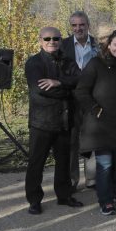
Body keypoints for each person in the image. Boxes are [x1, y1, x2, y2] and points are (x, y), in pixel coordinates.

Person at [24, 26, 84, 214]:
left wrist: (59, 82)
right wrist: (68, 89)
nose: (52, 42)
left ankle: (64, 195)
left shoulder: (68, 61)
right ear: (40, 41)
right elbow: (41, 89)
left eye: (56, 39)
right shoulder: (34, 63)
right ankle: (34, 199)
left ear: (60, 40)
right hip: (42, 122)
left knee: (64, 161)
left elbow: (81, 80)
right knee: (37, 162)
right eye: (47, 39)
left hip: (65, 120)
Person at [74, 30, 116, 215]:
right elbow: (81, 91)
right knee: (105, 165)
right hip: (101, 125)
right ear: (109, 45)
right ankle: (105, 200)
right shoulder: (96, 63)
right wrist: (96, 109)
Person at [61, 11, 98, 191]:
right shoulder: (62, 46)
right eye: (74, 25)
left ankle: (91, 179)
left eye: (81, 24)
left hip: (92, 99)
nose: (78, 28)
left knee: (91, 138)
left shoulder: (98, 45)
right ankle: (72, 180)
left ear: (88, 25)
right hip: (71, 100)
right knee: (72, 141)